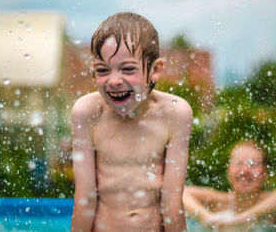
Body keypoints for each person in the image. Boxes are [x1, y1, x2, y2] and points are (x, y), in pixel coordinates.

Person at [71, 12, 193, 232]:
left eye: (128, 69)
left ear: (155, 70)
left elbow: (171, 203)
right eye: (102, 70)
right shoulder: (87, 113)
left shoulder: (175, 114)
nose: (114, 80)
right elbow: (85, 200)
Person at [183, 140, 276, 231]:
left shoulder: (273, 204)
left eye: (253, 165)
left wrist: (248, 217)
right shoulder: (219, 202)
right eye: (239, 164)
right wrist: (205, 217)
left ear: (264, 172)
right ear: (228, 170)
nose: (244, 171)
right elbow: (180, 193)